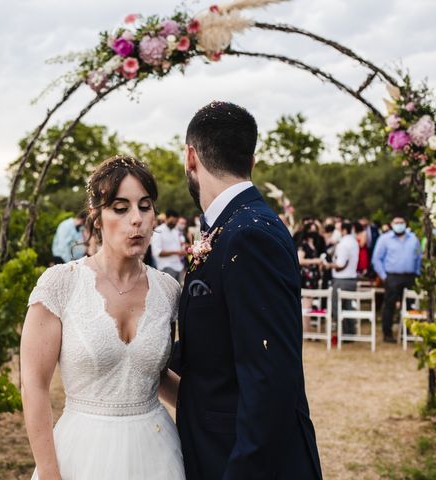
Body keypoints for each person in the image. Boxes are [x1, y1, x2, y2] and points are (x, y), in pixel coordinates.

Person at [176, 101, 322, 479]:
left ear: (191, 157)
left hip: (242, 460)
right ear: (252, 162)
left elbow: (270, 380)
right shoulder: (233, 225)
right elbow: (218, 344)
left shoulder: (249, 234)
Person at [20, 156, 186, 480]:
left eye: (145, 206)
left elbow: (157, 373)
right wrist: (51, 474)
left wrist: (223, 410)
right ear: (97, 217)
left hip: (157, 451)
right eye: (121, 208)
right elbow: (34, 386)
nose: (136, 220)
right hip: (81, 453)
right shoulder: (60, 284)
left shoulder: (168, 291)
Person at [372, 215, 422, 343]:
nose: (399, 224)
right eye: (396, 222)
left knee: (410, 305)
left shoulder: (413, 239)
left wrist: (417, 272)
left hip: (410, 276)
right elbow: (377, 259)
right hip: (392, 276)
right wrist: (384, 276)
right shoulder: (385, 239)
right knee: (389, 305)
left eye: (401, 222)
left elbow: (418, 256)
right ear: (392, 224)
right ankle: (387, 333)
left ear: (405, 224)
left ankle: (408, 331)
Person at [324, 221, 359, 335]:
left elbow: (340, 265)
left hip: (341, 280)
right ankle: (350, 332)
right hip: (352, 279)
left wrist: (328, 265)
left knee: (337, 307)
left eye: (338, 230)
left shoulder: (343, 244)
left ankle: (342, 332)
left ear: (344, 230)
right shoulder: (354, 242)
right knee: (348, 307)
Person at [151, 209, 187, 282]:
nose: (174, 223)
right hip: (166, 267)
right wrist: (177, 252)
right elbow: (157, 253)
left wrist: (185, 247)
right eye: (172, 221)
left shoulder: (175, 231)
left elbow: (178, 245)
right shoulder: (158, 231)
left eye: (176, 222)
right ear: (166, 218)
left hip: (178, 266)